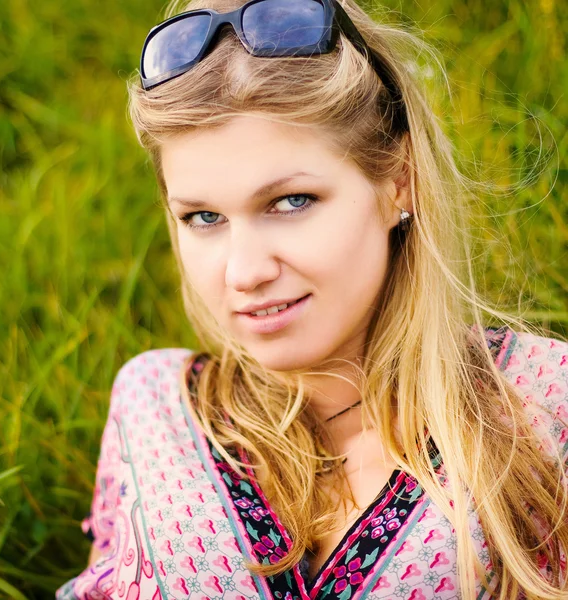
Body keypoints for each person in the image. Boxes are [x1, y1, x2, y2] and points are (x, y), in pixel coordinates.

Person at [56, 1, 568, 598]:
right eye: (203, 216)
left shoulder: (542, 403)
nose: (244, 272)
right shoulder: (154, 409)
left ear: (399, 183)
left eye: (291, 201)